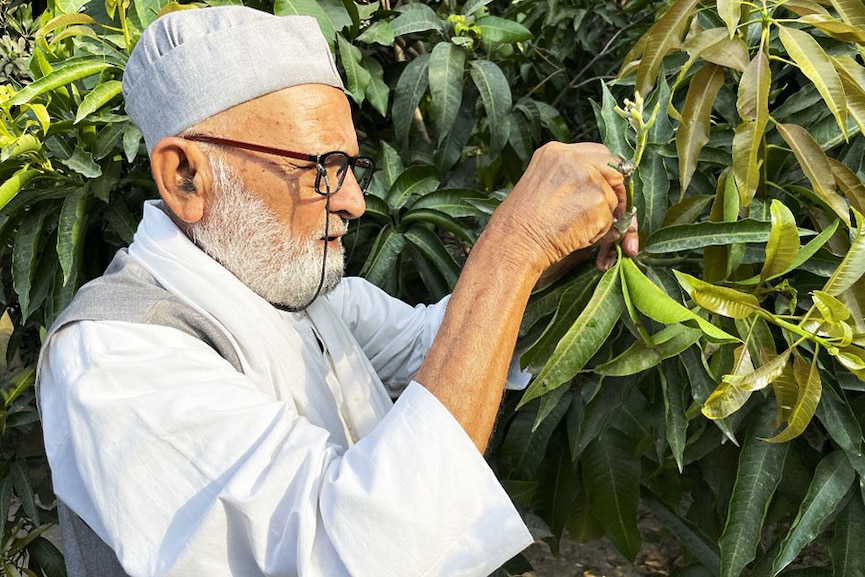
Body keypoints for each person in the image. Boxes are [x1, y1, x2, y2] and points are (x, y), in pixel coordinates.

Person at [36, 6, 639, 577]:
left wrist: (557, 263)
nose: (352, 201)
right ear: (185, 177)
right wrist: (513, 245)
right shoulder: (113, 357)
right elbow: (354, 554)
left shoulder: (301, 295)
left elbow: (441, 345)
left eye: (353, 166)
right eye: (321, 168)